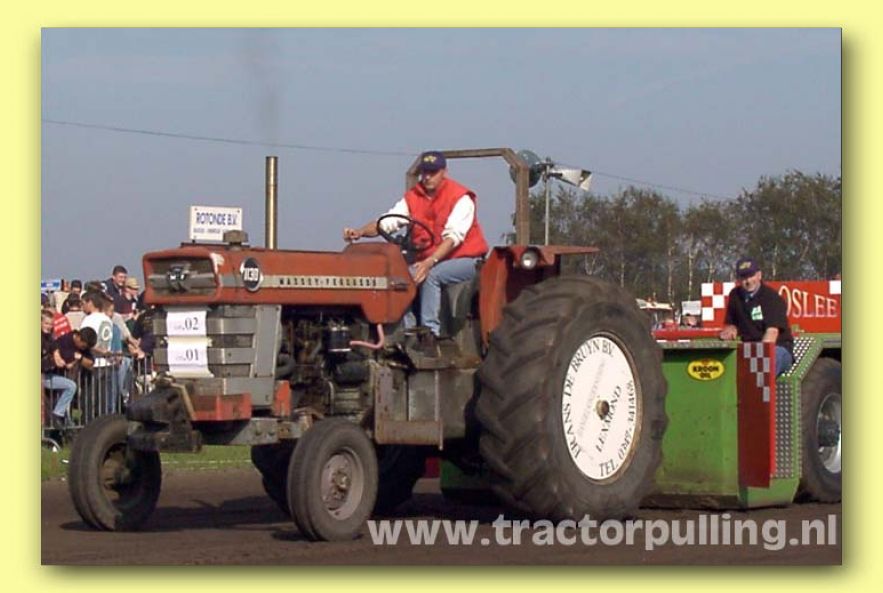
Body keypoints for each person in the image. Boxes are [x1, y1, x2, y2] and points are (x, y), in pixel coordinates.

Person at [342, 151, 488, 337]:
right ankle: (405, 332)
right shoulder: (413, 197)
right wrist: (360, 232)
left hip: (465, 260)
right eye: (425, 172)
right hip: (429, 259)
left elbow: (453, 238)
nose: (427, 177)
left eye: (433, 172)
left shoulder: (461, 197)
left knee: (431, 275)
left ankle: (429, 333)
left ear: (444, 172)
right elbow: (387, 221)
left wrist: (429, 262)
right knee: (399, 277)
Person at [719, 257, 794, 376]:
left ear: (759, 275)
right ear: (738, 279)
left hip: (777, 346)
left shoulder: (772, 298)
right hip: (748, 347)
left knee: (765, 364)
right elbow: (732, 323)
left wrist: (759, 357)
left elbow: (772, 332)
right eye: (744, 277)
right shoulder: (735, 296)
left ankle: (759, 386)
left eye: (751, 276)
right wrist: (731, 329)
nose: (748, 281)